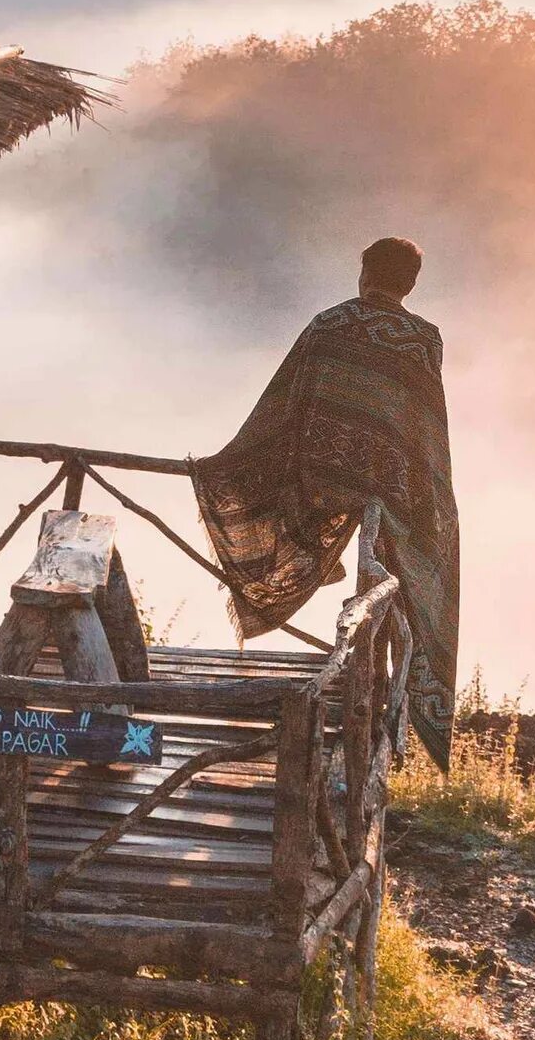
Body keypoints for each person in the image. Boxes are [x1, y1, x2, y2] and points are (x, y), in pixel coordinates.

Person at [191, 237, 462, 763]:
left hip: (317, 479)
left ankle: (360, 669)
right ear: (411, 283)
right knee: (394, 569)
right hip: (386, 491)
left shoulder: (327, 325)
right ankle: (374, 690)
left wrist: (231, 464)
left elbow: (284, 402)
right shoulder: (423, 341)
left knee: (371, 578)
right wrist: (423, 493)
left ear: (364, 274)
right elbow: (423, 429)